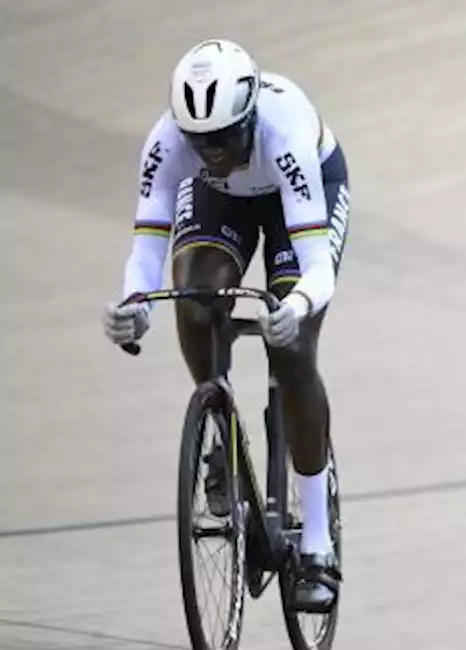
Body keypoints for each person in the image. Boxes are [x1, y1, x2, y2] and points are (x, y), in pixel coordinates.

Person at [101, 38, 349, 612]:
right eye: (200, 143)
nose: (212, 153)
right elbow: (146, 249)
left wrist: (298, 306)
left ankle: (316, 542)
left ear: (250, 117)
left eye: (224, 140)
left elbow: (316, 267)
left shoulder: (284, 134)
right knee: (192, 301)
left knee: (292, 351)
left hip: (303, 197)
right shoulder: (167, 144)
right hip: (221, 204)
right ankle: (220, 429)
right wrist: (134, 306)